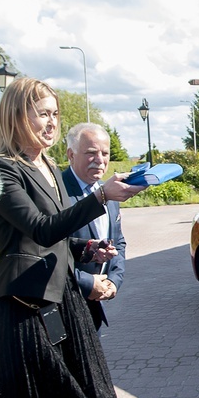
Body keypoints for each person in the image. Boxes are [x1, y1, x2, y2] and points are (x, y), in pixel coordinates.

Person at [0, 77, 145, 398]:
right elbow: (39, 229)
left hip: (61, 305)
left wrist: (85, 249)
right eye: (43, 114)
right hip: (23, 310)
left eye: (56, 114)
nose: (52, 122)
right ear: (19, 116)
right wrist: (100, 197)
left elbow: (54, 241)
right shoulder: (0, 170)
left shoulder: (49, 168)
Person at [62, 123, 126, 331]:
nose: (100, 160)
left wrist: (114, 281)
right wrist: (86, 284)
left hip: (95, 306)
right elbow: (50, 250)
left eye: (105, 153)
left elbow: (118, 242)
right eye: (91, 153)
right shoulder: (57, 192)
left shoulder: (109, 192)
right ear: (71, 155)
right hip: (66, 305)